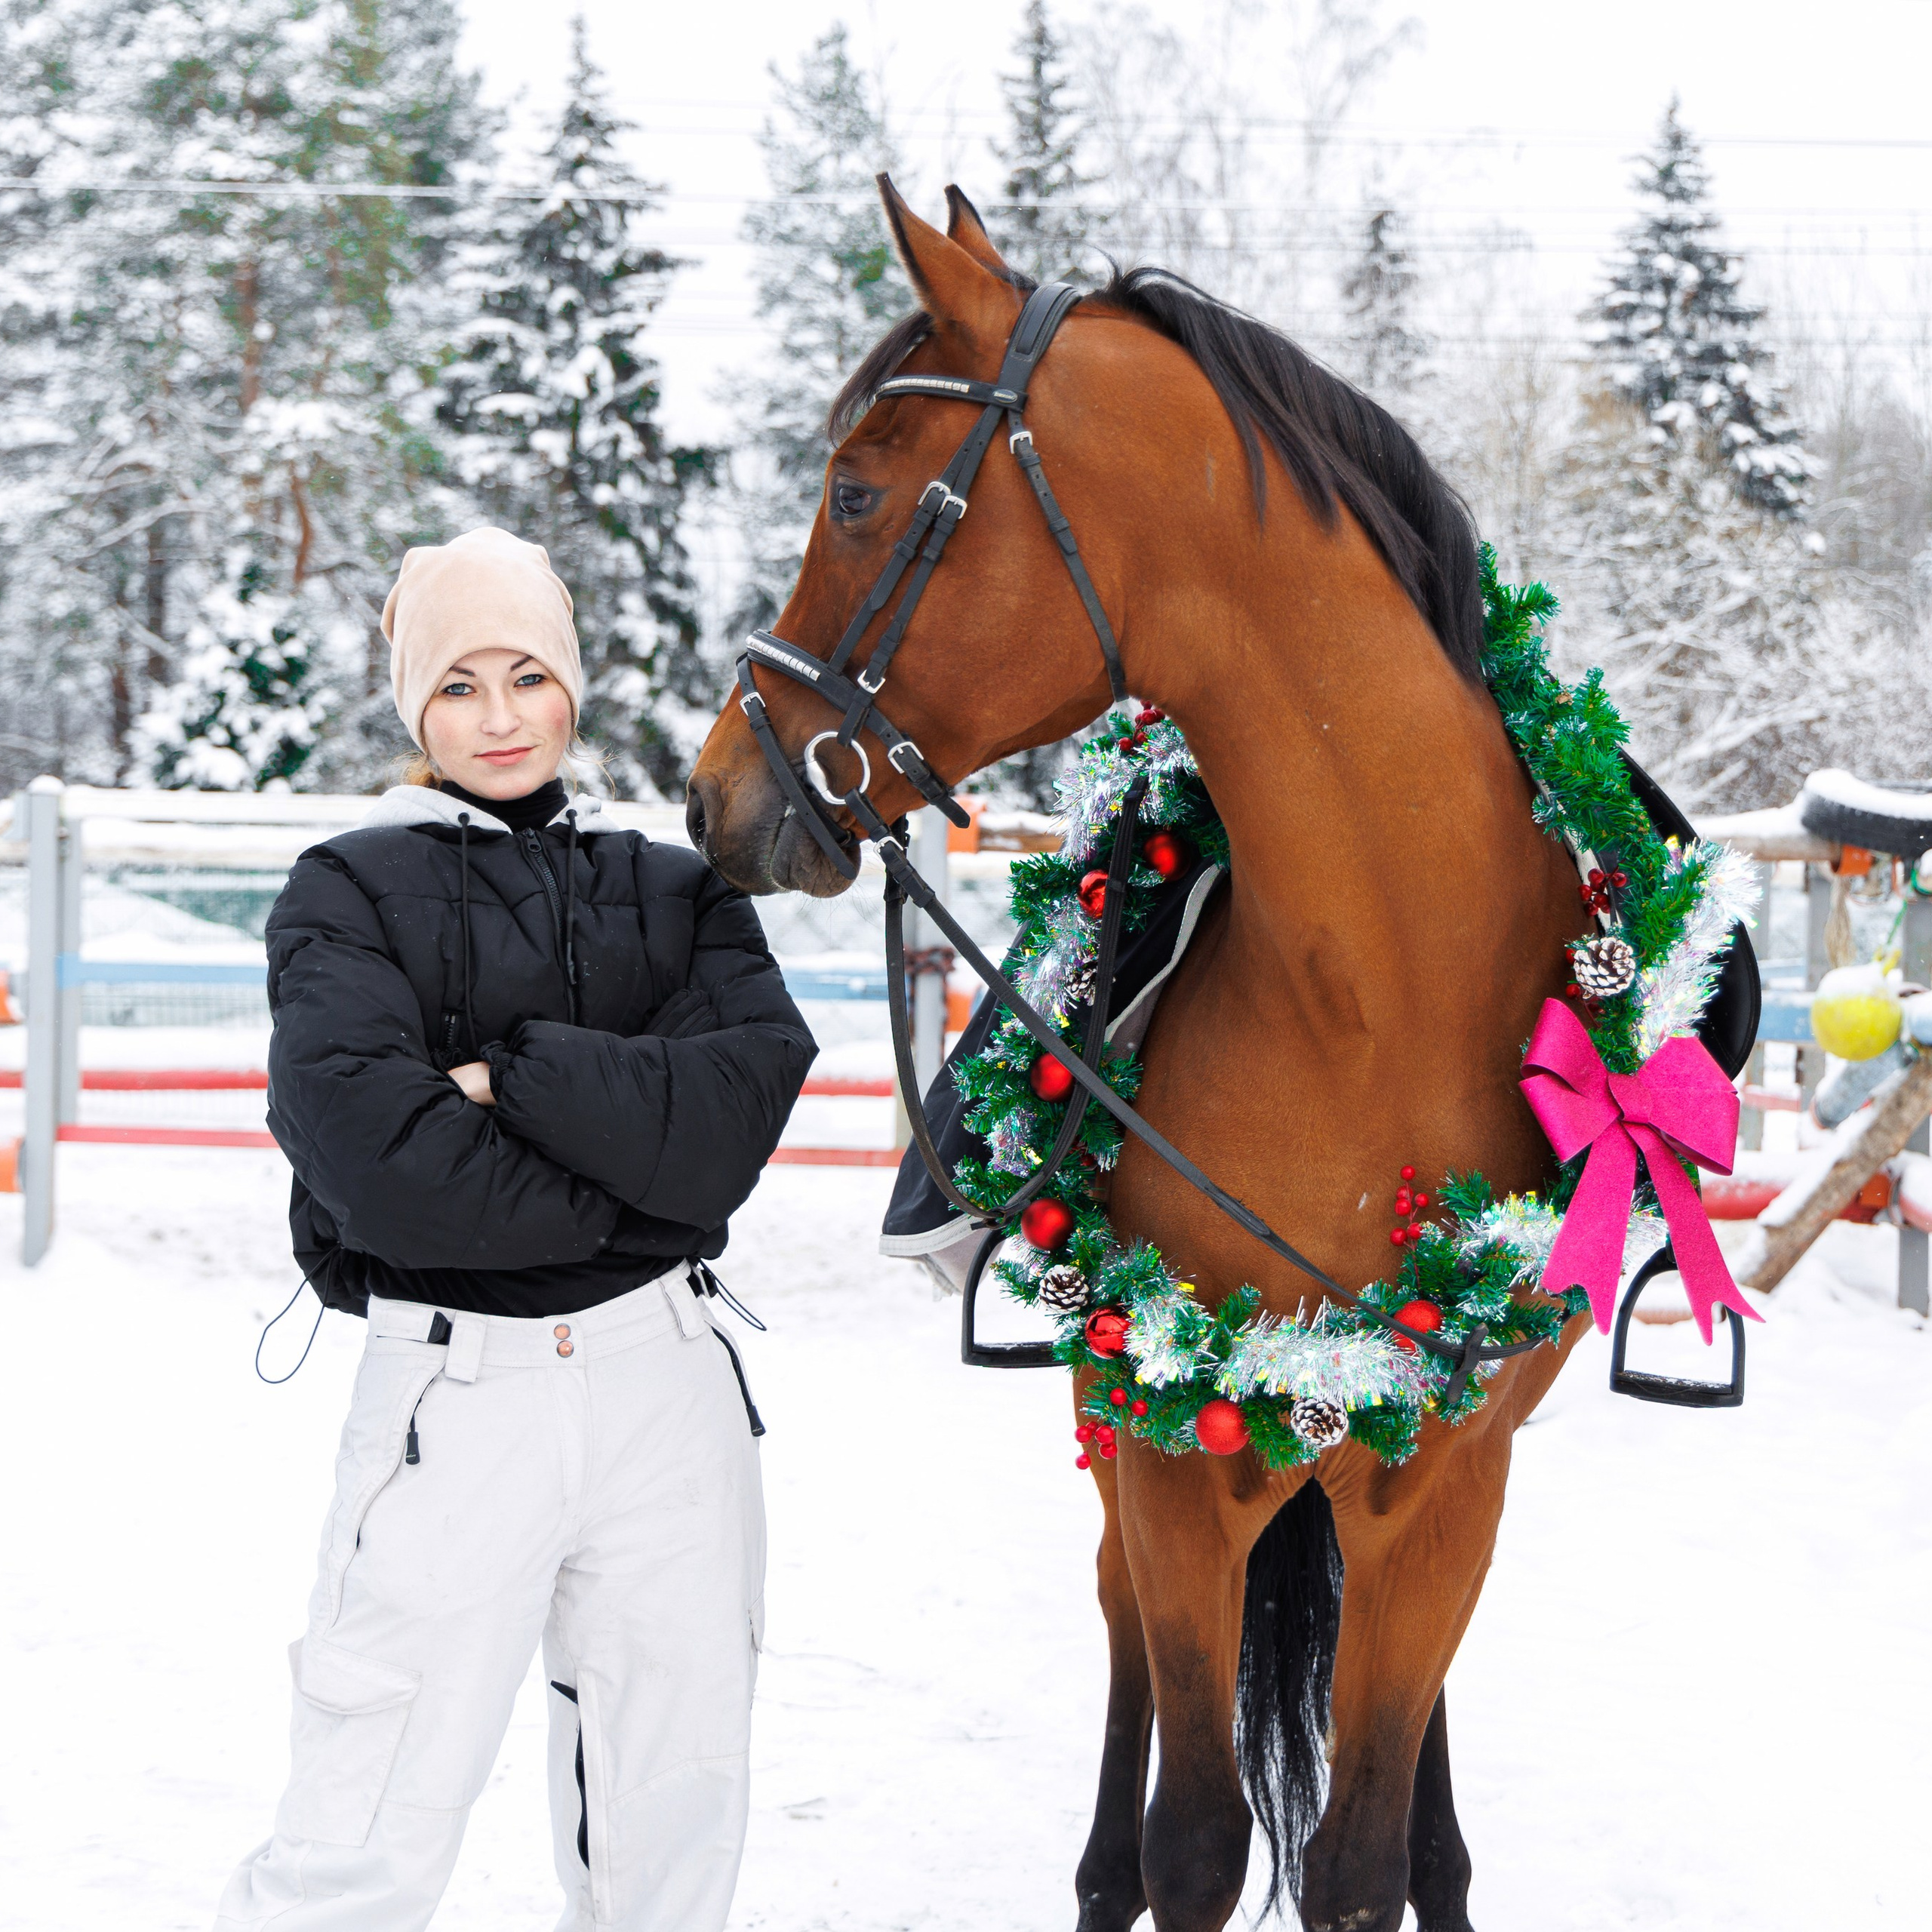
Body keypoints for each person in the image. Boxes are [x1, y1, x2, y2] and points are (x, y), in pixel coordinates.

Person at [215, 528, 815, 1932]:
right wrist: (639, 1184)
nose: (500, 717)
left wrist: (514, 1079)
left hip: (666, 1388)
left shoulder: (679, 889)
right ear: (414, 707)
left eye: (530, 676)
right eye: (461, 684)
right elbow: (376, 1161)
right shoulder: (347, 888)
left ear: (574, 687)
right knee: (373, 1791)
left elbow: (740, 1112)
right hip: (456, 1395)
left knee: (673, 1796)